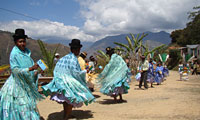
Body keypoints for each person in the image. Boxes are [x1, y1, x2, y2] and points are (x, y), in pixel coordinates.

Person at [42, 39, 95, 120]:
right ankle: (66, 116)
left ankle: (67, 114)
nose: (78, 51)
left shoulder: (65, 58)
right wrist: (84, 71)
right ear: (75, 49)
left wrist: (58, 79)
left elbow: (56, 69)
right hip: (69, 82)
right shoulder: (73, 59)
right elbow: (76, 73)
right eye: (78, 49)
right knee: (70, 101)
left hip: (61, 81)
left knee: (66, 100)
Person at [0, 28, 44, 119]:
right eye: (20, 42)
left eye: (23, 41)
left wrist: (37, 71)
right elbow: (15, 70)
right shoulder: (14, 54)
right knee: (21, 107)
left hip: (25, 84)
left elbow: (30, 67)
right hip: (17, 85)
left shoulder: (26, 52)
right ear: (16, 42)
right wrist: (30, 68)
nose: (22, 44)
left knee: (29, 106)